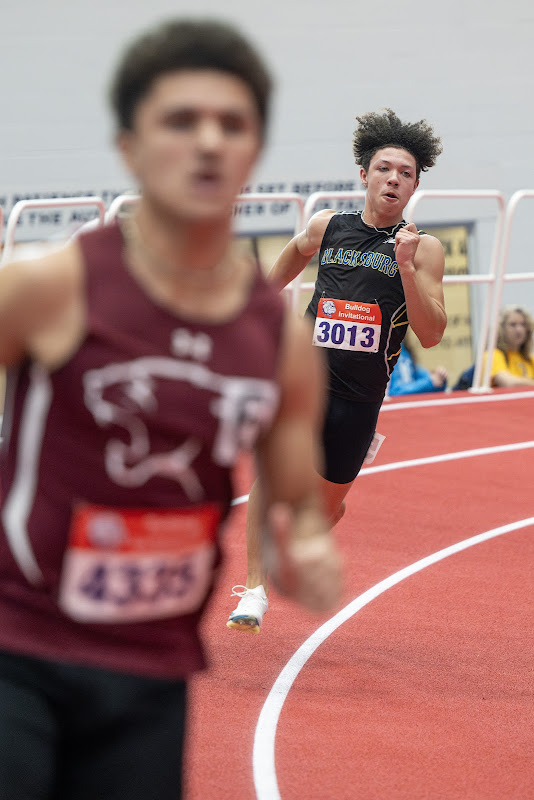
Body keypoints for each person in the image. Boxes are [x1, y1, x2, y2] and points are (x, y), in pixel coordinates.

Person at [0, 18, 341, 800]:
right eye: (181, 121)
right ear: (130, 146)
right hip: (18, 651)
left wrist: (310, 544)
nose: (209, 142)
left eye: (233, 124)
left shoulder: (275, 336)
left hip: (153, 673)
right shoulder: (48, 287)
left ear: (255, 152)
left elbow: (294, 489)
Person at [228, 107, 446, 633]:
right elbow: (293, 254)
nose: (394, 179)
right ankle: (253, 590)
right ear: (365, 175)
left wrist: (408, 269)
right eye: (385, 168)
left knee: (321, 511)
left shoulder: (425, 248)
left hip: (359, 398)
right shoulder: (330, 228)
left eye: (406, 173)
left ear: (415, 185)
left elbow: (433, 332)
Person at [484, 304, 534, 387]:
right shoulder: (492, 355)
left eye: (523, 324)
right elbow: (508, 382)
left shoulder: (530, 359)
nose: (519, 330)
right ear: (501, 328)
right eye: (513, 324)